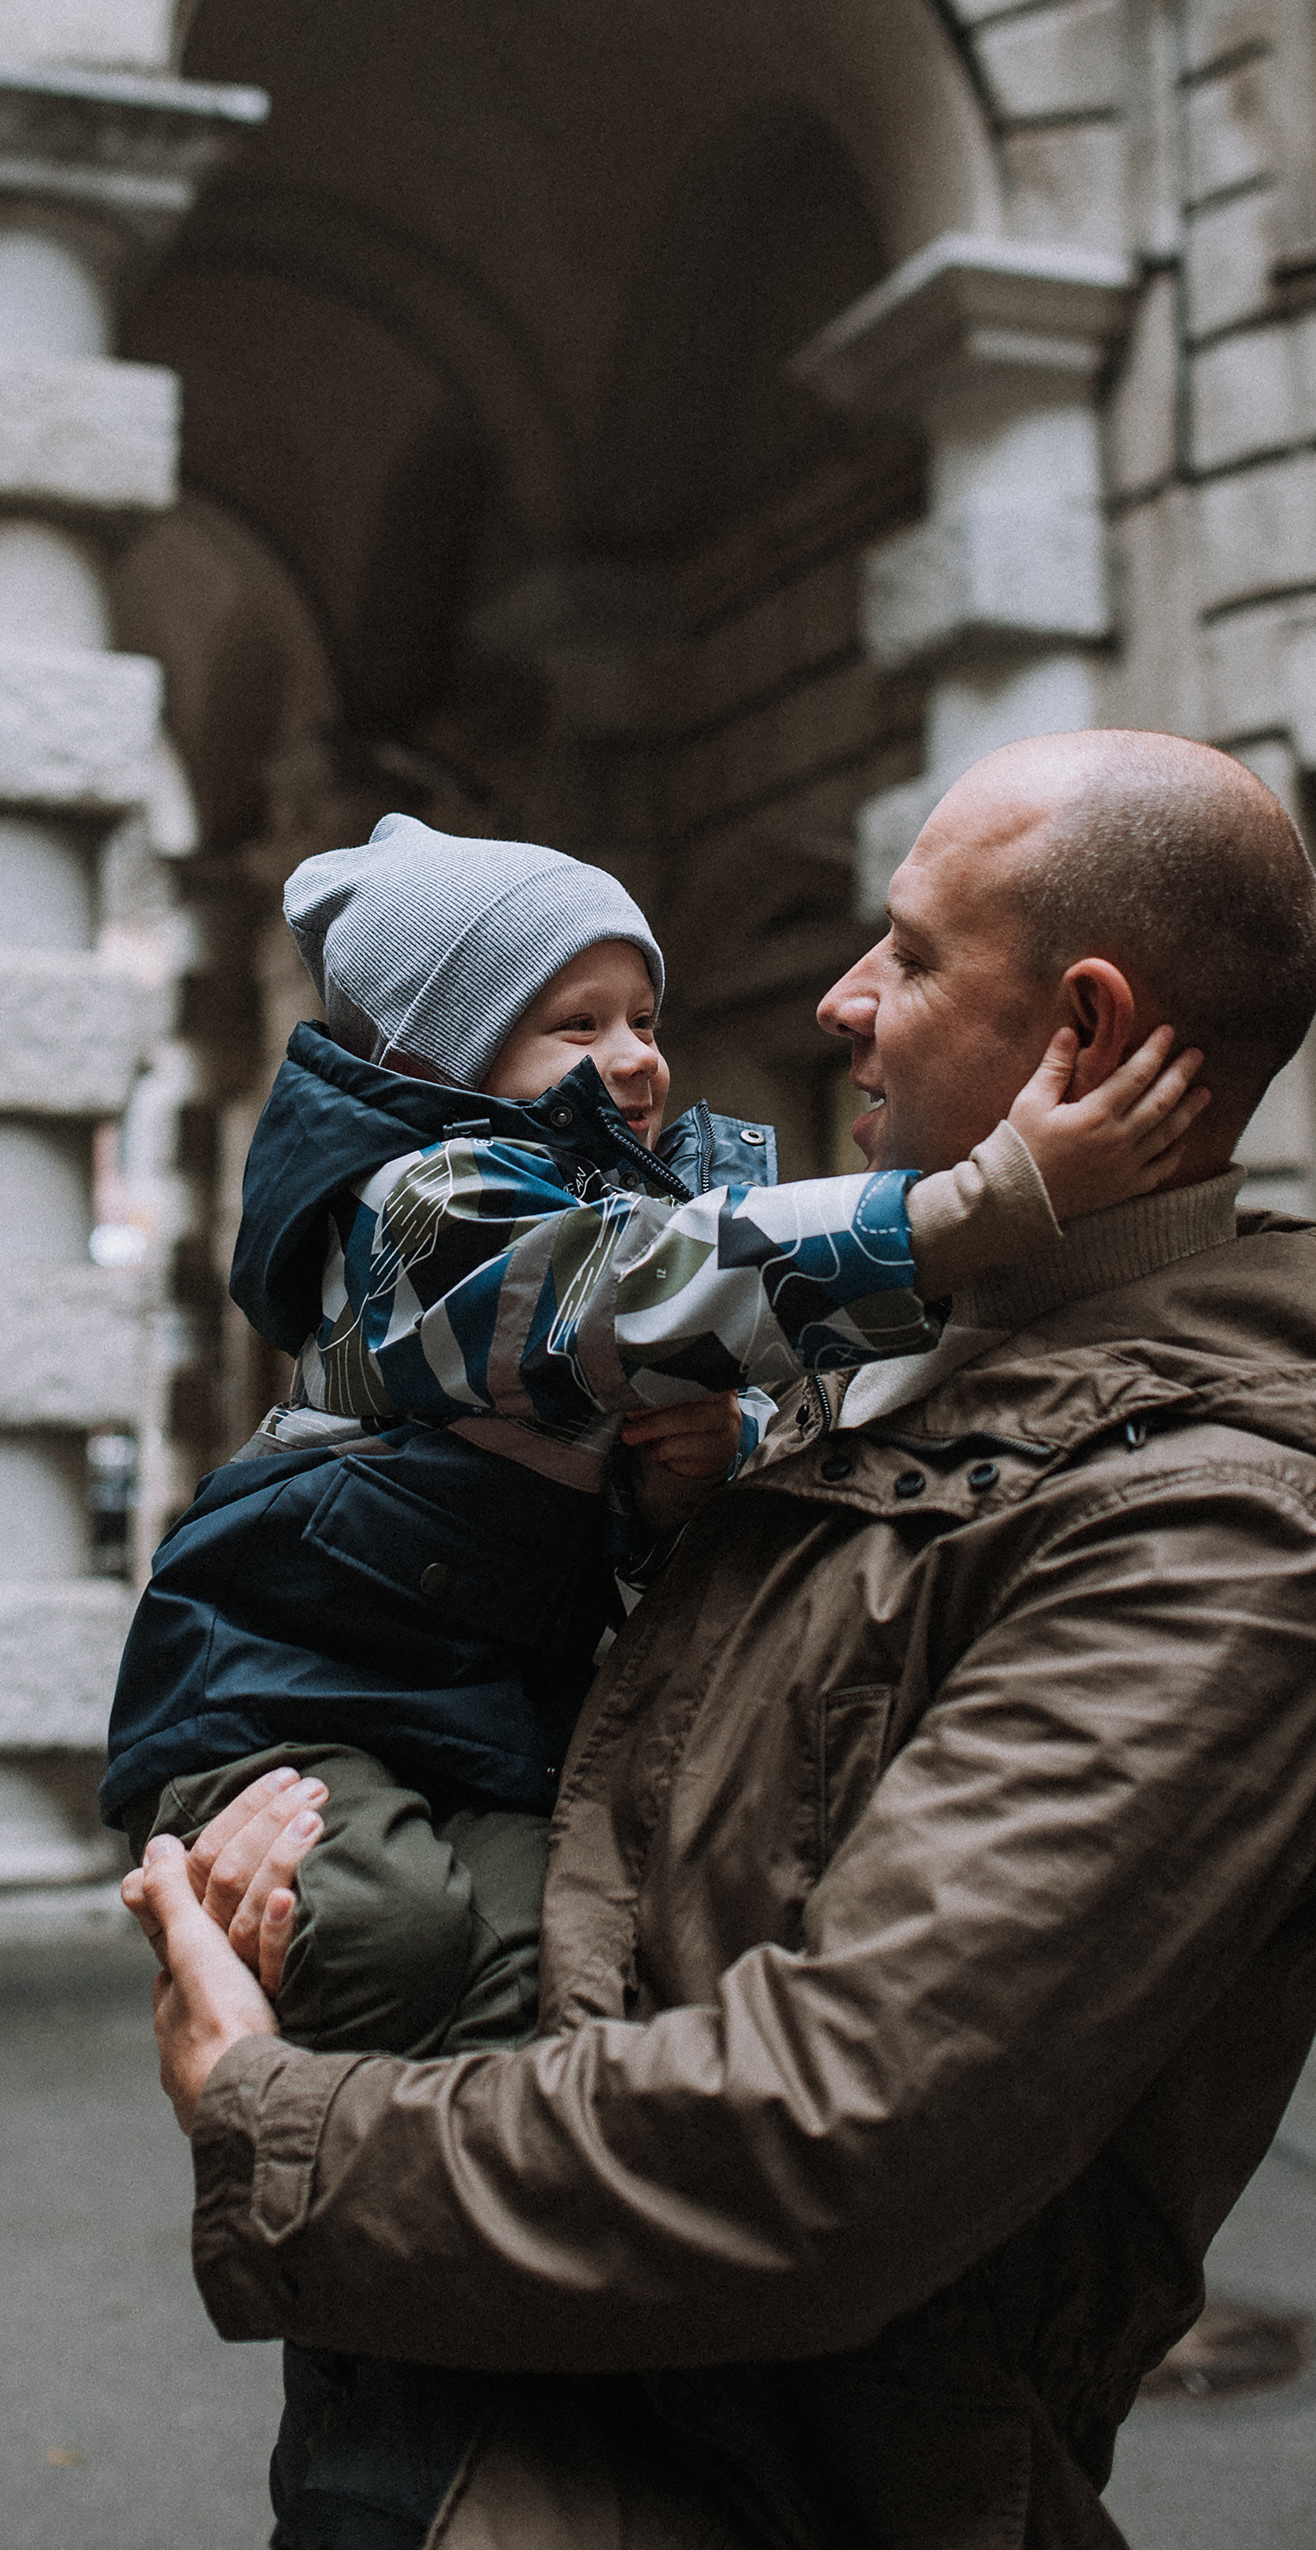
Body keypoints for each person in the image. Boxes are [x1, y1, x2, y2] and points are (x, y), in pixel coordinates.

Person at [129, 732, 1316, 2550]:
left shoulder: (1218, 1536)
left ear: (1079, 1032)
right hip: (483, 2434)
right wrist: (316, 1833)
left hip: (734, 2534)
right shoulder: (878, 1366)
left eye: (912, 955)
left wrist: (270, 2105)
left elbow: (825, 2135)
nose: (837, 1002)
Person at [104, 810, 1204, 2064]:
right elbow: (623, 1294)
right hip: (276, 1695)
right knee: (377, 1935)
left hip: (479, 1714)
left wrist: (678, 1481)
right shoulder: (422, 1204)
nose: (634, 1057)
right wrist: (973, 1207)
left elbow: (623, 1476)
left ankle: (447, 2178)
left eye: (644, 1019)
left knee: (557, 1956)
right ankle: (306, 2138)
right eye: (577, 1025)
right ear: (438, 1056)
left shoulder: (614, 1199)